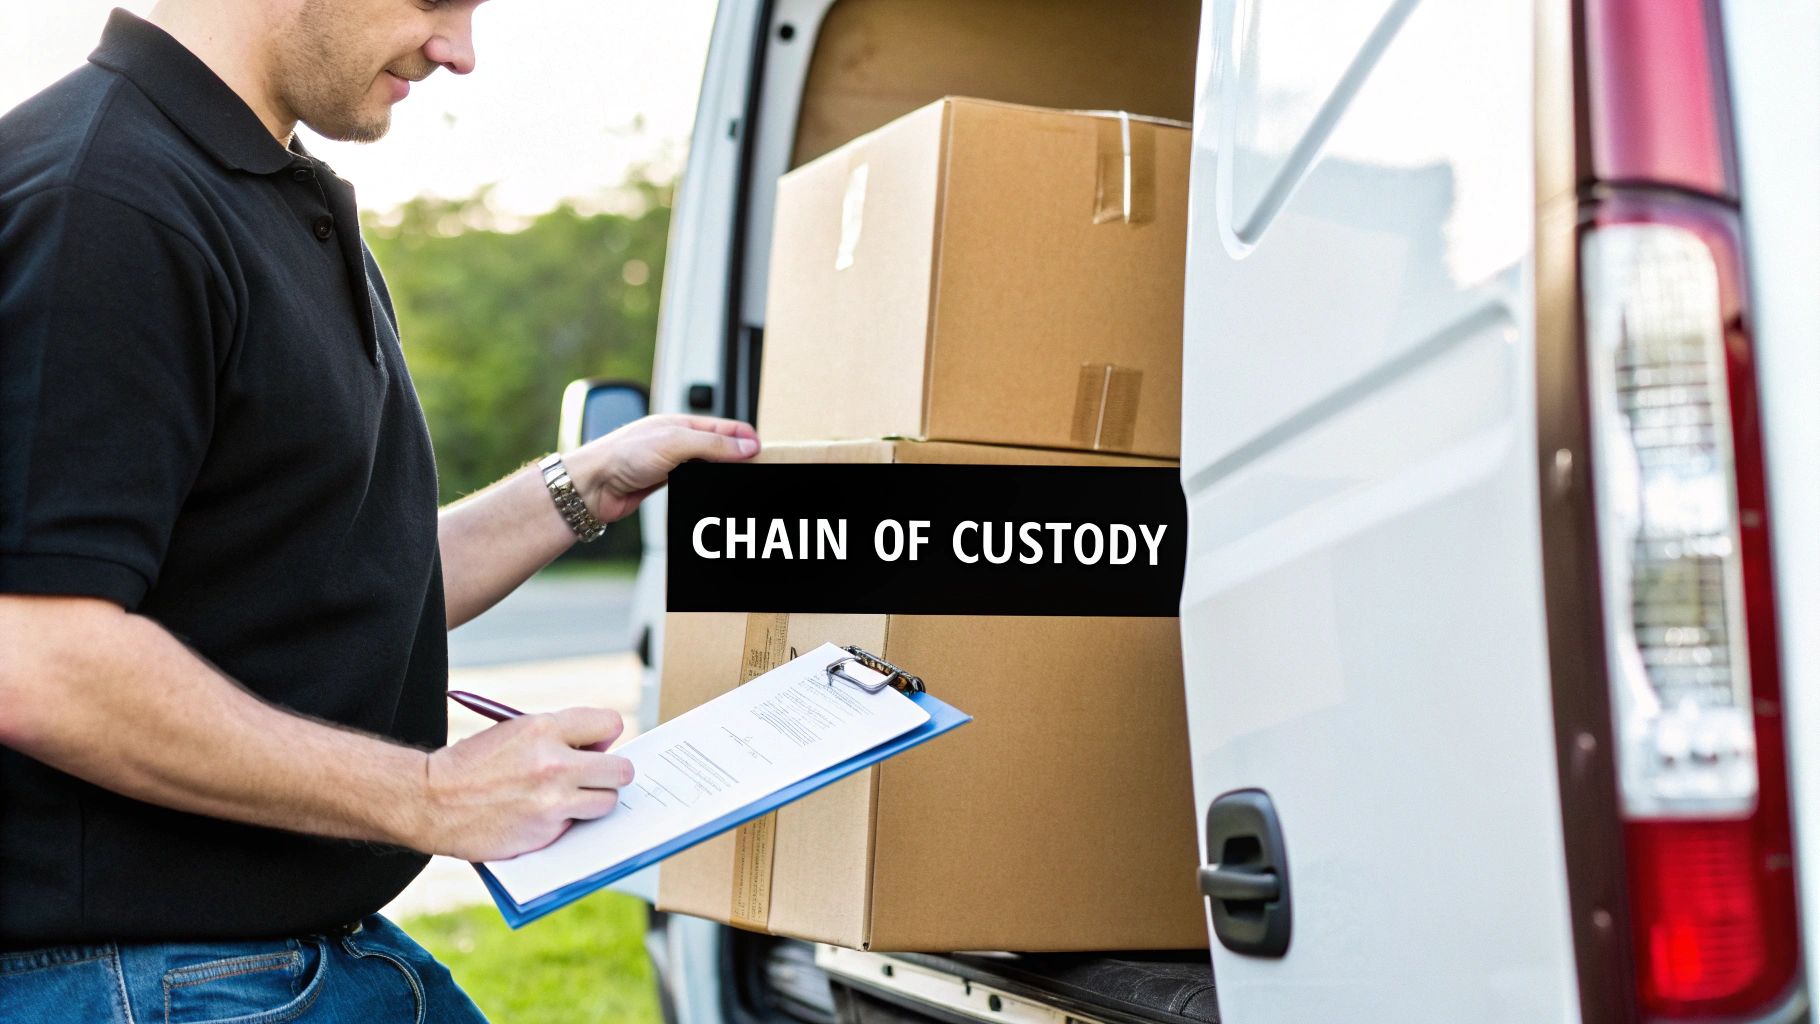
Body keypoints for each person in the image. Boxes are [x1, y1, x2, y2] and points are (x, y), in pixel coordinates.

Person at [0, 1, 757, 1019]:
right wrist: (433, 797)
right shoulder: (104, 201)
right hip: (148, 980)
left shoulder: (261, 193)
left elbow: (330, 590)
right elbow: (36, 659)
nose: (460, 50)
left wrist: (584, 487)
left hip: (295, 959)